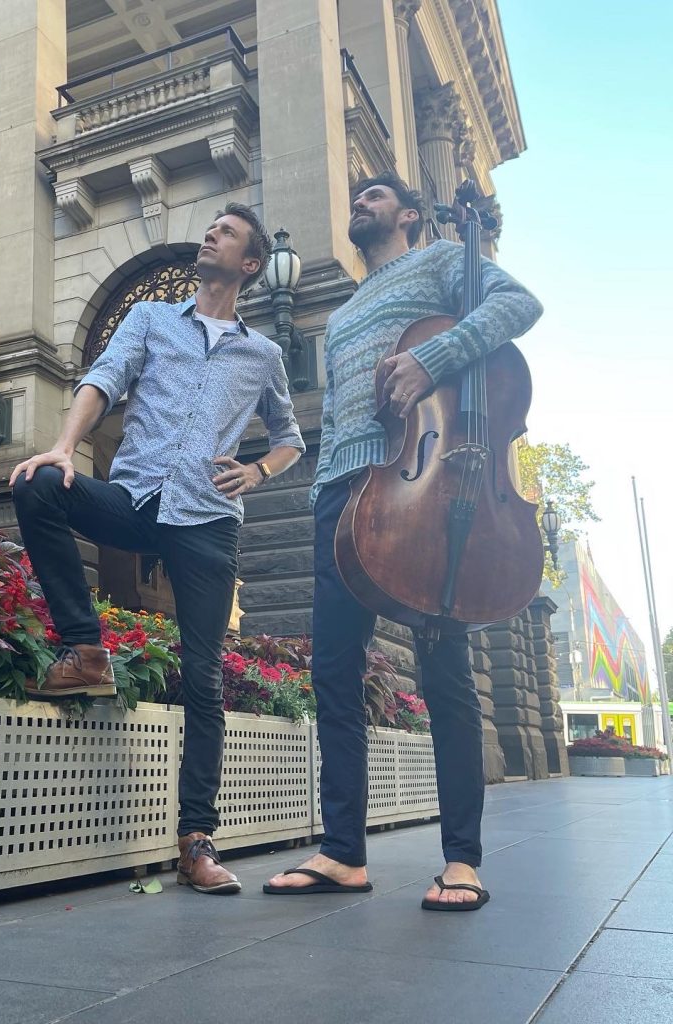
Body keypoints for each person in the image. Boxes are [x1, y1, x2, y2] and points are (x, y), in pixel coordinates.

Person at [264, 173, 542, 910]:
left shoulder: (443, 260)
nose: (360, 202)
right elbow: (343, 410)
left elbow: (519, 305)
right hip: (342, 492)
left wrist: (432, 358)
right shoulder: (345, 311)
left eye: (376, 196)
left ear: (410, 215)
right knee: (333, 672)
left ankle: (462, 860)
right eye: (356, 197)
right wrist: (321, 493)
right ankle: (342, 853)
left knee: (445, 672)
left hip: (427, 490)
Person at [10, 202, 306, 895]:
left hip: (208, 520)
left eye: (226, 233)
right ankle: (85, 649)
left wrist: (259, 472)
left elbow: (290, 436)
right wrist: (64, 447)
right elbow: (104, 379)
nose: (211, 235)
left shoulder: (262, 355)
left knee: (203, 678)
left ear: (250, 264)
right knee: (37, 486)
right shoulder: (149, 320)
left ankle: (196, 842)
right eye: (212, 228)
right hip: (138, 497)